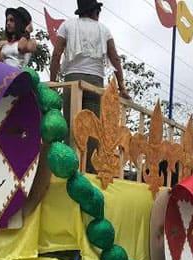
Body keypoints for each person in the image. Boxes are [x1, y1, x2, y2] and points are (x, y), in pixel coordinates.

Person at [50, 0, 130, 171]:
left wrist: (54, 82)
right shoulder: (104, 29)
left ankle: (70, 170)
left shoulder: (67, 26)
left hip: (72, 79)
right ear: (94, 11)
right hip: (95, 83)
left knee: (72, 124)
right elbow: (114, 59)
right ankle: (89, 170)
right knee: (93, 129)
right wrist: (122, 87)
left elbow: (57, 53)